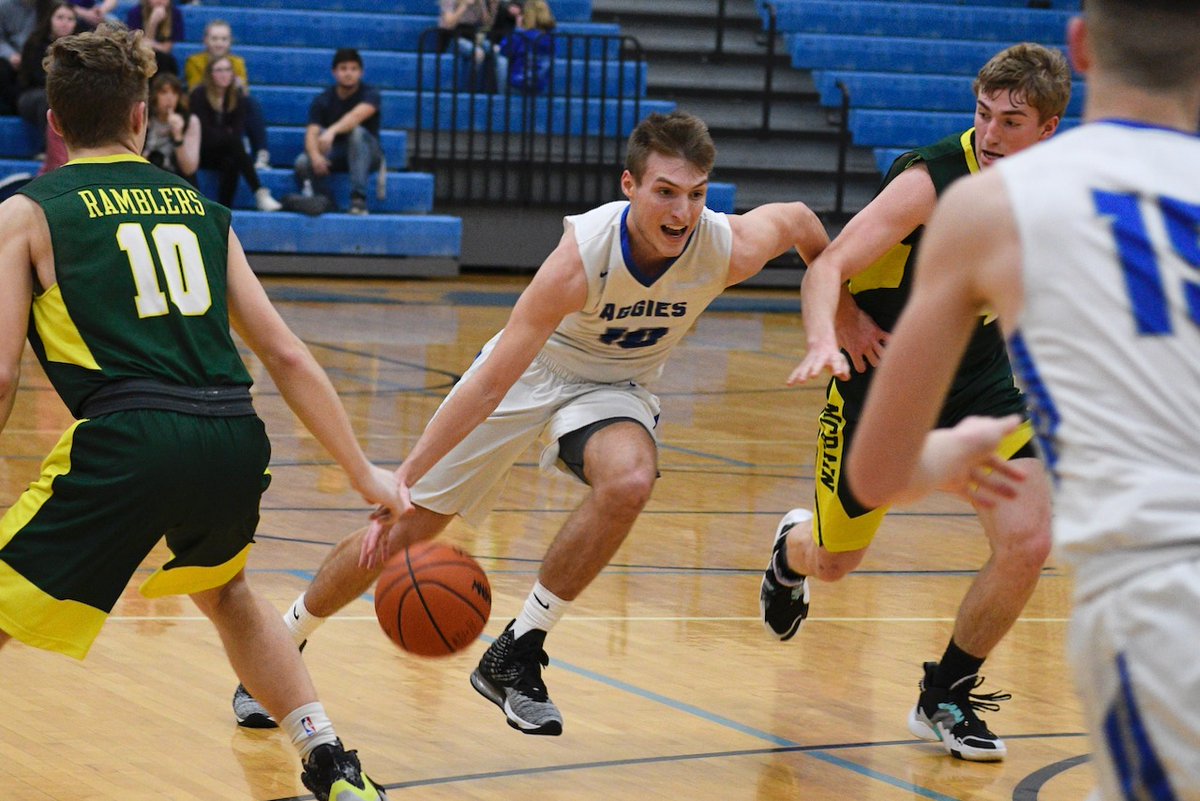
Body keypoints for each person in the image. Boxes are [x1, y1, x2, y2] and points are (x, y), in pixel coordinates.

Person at [229, 110, 832, 736]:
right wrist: (403, 475)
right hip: (532, 373)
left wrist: (843, 311)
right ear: (630, 185)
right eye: (666, 192)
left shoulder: (723, 246)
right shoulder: (582, 258)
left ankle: (516, 653)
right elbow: (491, 382)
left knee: (629, 480)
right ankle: (283, 642)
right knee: (406, 528)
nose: (682, 212)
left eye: (697, 194)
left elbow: (800, 223)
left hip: (614, 387)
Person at [0, 23, 401, 801]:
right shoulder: (199, 210)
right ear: (142, 116)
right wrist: (365, 471)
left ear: (53, 121)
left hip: (130, 437)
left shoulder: (27, 212)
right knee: (228, 594)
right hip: (229, 434)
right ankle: (329, 760)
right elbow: (284, 354)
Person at [846, 2, 1200, 796]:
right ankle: (945, 692)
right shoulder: (944, 179)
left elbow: (880, 471)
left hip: (1159, 599)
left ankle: (944, 691)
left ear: (1080, 48)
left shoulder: (989, 209)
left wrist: (947, 451)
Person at [757, 42, 1070, 762]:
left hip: (975, 377)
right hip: (882, 373)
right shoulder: (933, 179)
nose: (990, 134)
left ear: (1048, 130)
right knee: (836, 561)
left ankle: (946, 694)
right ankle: (790, 556)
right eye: (983, 114)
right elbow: (829, 263)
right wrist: (829, 329)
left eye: (1011, 121)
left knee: (1028, 538)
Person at [293, 47, 381, 215]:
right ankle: (325, 200)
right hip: (339, 154)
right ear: (334, 72)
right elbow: (312, 132)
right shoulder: (323, 99)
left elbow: (356, 116)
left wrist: (331, 131)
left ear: (361, 72)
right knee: (303, 161)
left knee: (357, 133)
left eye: (353, 69)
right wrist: (316, 156)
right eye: (343, 68)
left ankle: (358, 199)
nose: (348, 73)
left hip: (369, 154)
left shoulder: (370, 93)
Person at [190, 55, 281, 211]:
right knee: (234, 144)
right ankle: (259, 191)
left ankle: (223, 209)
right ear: (210, 74)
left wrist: (225, 136)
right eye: (219, 70)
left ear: (233, 74)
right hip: (200, 151)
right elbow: (204, 133)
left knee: (232, 162)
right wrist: (226, 135)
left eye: (227, 70)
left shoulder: (237, 98)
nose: (224, 74)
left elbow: (237, 130)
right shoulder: (199, 95)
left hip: (224, 152)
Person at [183, 19, 270, 171]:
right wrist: (219, 82)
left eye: (224, 39)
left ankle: (261, 152)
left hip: (228, 108)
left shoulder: (237, 63)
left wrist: (238, 87)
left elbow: (243, 94)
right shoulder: (194, 61)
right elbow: (195, 92)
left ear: (230, 41)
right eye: (214, 38)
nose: (219, 43)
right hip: (206, 110)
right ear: (205, 40)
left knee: (250, 102)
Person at [16, 2, 77, 140]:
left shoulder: (82, 49)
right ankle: (50, 151)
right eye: (60, 17)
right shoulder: (35, 43)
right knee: (50, 100)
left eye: (70, 19)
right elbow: (34, 77)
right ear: (50, 19)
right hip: (33, 94)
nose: (64, 23)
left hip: (68, 93)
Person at [143, 70, 198, 181]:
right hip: (146, 177)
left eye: (174, 93)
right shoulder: (143, 118)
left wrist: (178, 137)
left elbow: (189, 169)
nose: (170, 98)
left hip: (177, 180)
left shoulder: (190, 121)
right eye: (164, 92)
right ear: (154, 95)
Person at [500, 0, 555, 95]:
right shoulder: (550, 38)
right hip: (540, 86)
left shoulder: (520, 35)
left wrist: (517, 29)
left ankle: (502, 96)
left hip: (518, 84)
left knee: (501, 60)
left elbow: (503, 50)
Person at [123, 0, 181, 75]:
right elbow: (141, 48)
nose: (159, 1)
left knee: (164, 59)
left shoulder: (175, 13)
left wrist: (152, 44)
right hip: (141, 59)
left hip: (164, 61)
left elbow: (167, 48)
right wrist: (153, 22)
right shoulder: (135, 12)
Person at [0, 0, 37, 115]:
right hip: (10, 56)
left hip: (37, 54)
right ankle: (15, 109)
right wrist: (10, 55)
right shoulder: (3, 6)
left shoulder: (47, 5)